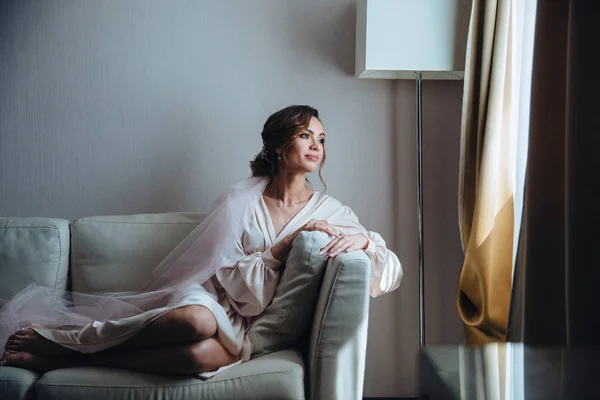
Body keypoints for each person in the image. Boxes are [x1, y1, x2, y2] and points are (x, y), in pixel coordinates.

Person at [0, 105, 403, 377]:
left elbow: (390, 268)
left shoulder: (330, 212)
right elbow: (225, 276)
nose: (317, 145)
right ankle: (68, 339)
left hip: (256, 327)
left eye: (321, 138)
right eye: (305, 135)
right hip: (214, 300)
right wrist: (283, 246)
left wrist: (365, 245)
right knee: (193, 322)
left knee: (195, 357)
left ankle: (62, 357)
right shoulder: (240, 199)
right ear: (281, 147)